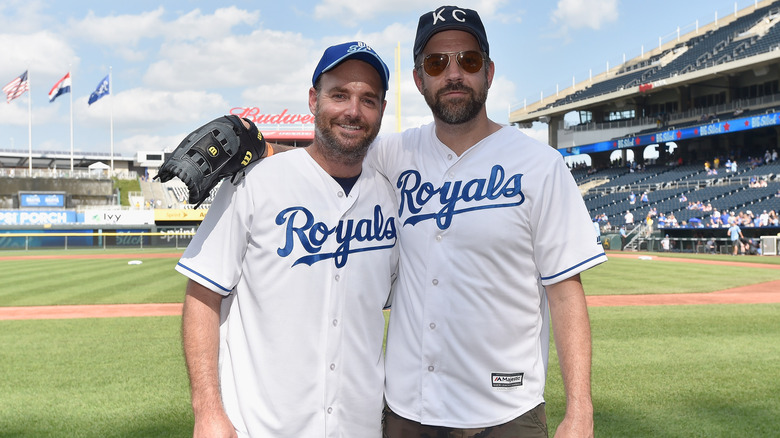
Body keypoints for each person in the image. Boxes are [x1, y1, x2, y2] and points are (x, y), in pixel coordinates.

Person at [366, 6, 607, 437]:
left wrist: (580, 409)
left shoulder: (540, 164)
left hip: (506, 411)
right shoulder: (392, 154)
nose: (454, 73)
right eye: (437, 63)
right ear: (420, 79)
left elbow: (565, 290)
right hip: (408, 408)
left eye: (469, 60)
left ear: (489, 72)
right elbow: (331, 153)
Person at [178, 41, 398, 437]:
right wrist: (207, 410)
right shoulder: (255, 182)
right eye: (339, 95)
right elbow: (203, 295)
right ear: (313, 100)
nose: (353, 110)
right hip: (261, 427)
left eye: (368, 99)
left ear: (381, 110)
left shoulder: (391, 198)